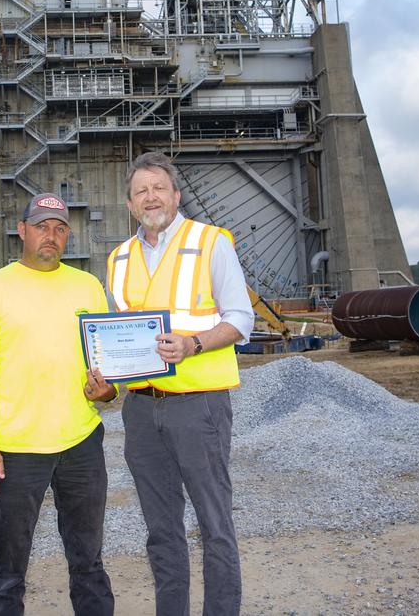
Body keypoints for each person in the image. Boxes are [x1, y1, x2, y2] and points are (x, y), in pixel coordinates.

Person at [106, 152, 255, 616]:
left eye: (158, 188)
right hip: (142, 409)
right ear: (130, 204)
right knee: (161, 528)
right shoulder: (118, 258)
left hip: (200, 406)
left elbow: (241, 320)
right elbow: (113, 333)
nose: (150, 197)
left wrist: (193, 344)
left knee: (214, 523)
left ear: (176, 194)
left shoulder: (211, 242)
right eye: (140, 191)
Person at [0, 193, 116, 616]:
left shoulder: (86, 286)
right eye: (43, 226)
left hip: (81, 443)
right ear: (22, 231)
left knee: (89, 562)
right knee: (7, 567)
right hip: (15, 449)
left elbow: (104, 368)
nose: (52, 235)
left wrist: (108, 392)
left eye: (61, 228)